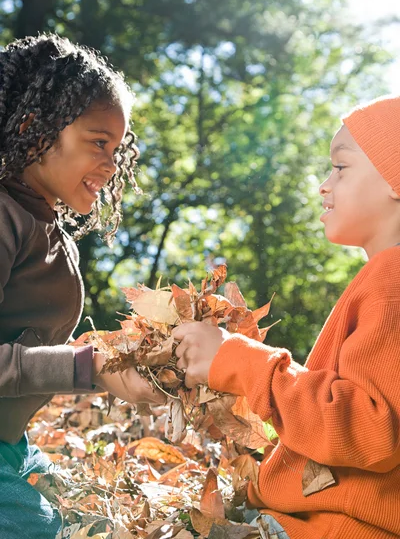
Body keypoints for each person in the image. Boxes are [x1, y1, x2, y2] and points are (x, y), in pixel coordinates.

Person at [173, 95, 400, 539]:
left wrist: (237, 361)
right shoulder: (382, 278)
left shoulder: (392, 277)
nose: (324, 184)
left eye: (341, 167)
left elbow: (368, 429)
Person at [0, 33, 164, 539]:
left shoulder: (50, 229)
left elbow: (31, 345)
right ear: (34, 127)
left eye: (118, 148)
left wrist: (115, 359)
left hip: (11, 445)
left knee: (81, 515)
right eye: (99, 142)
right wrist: (86, 367)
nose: (112, 164)